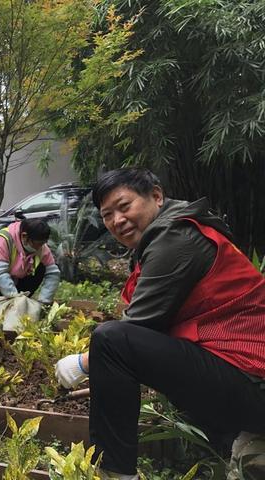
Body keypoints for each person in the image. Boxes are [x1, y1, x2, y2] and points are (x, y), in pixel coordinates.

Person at [54, 167, 265, 480]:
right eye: (107, 215)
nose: (117, 221)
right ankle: (236, 440)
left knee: (111, 341)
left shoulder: (177, 236)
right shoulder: (170, 233)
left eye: (124, 207)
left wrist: (82, 364)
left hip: (253, 377)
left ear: (156, 196)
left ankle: (118, 474)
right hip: (243, 374)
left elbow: (138, 327)